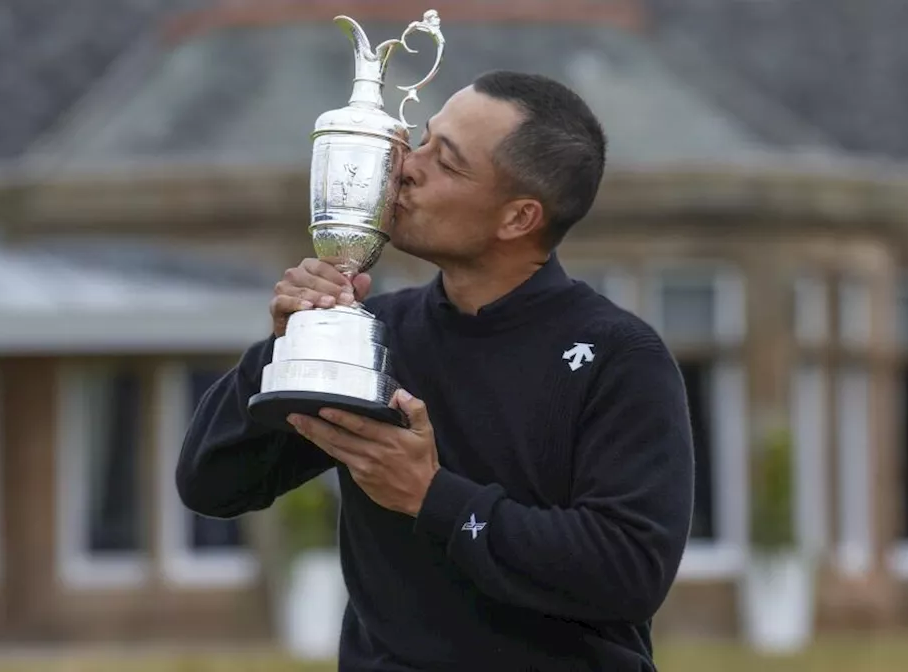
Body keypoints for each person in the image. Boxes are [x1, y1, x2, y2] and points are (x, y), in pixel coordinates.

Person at [176, 70, 695, 672]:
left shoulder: (619, 357)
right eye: (420, 141)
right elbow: (211, 483)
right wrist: (286, 345)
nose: (406, 167)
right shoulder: (378, 332)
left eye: (445, 162)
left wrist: (433, 497)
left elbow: (629, 573)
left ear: (519, 218)